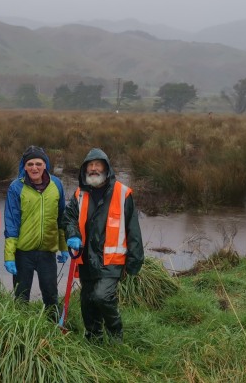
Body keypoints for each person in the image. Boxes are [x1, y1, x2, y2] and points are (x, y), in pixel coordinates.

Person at [62, 147, 144, 343]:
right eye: (90, 165)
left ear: (107, 168)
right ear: (84, 170)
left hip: (112, 261)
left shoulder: (122, 193)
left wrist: (134, 261)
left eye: (98, 165)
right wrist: (72, 234)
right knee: (87, 301)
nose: (94, 169)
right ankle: (93, 338)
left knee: (101, 296)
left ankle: (116, 334)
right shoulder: (79, 194)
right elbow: (68, 218)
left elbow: (133, 230)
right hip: (86, 259)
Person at [3, 146, 68, 320]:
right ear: (24, 166)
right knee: (21, 298)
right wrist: (9, 256)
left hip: (47, 251)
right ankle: (20, 332)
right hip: (23, 252)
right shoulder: (16, 187)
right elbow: (11, 222)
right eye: (30, 164)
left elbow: (61, 217)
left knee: (51, 296)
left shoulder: (57, 185)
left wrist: (64, 247)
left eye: (38, 163)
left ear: (45, 165)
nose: (34, 168)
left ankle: (54, 328)